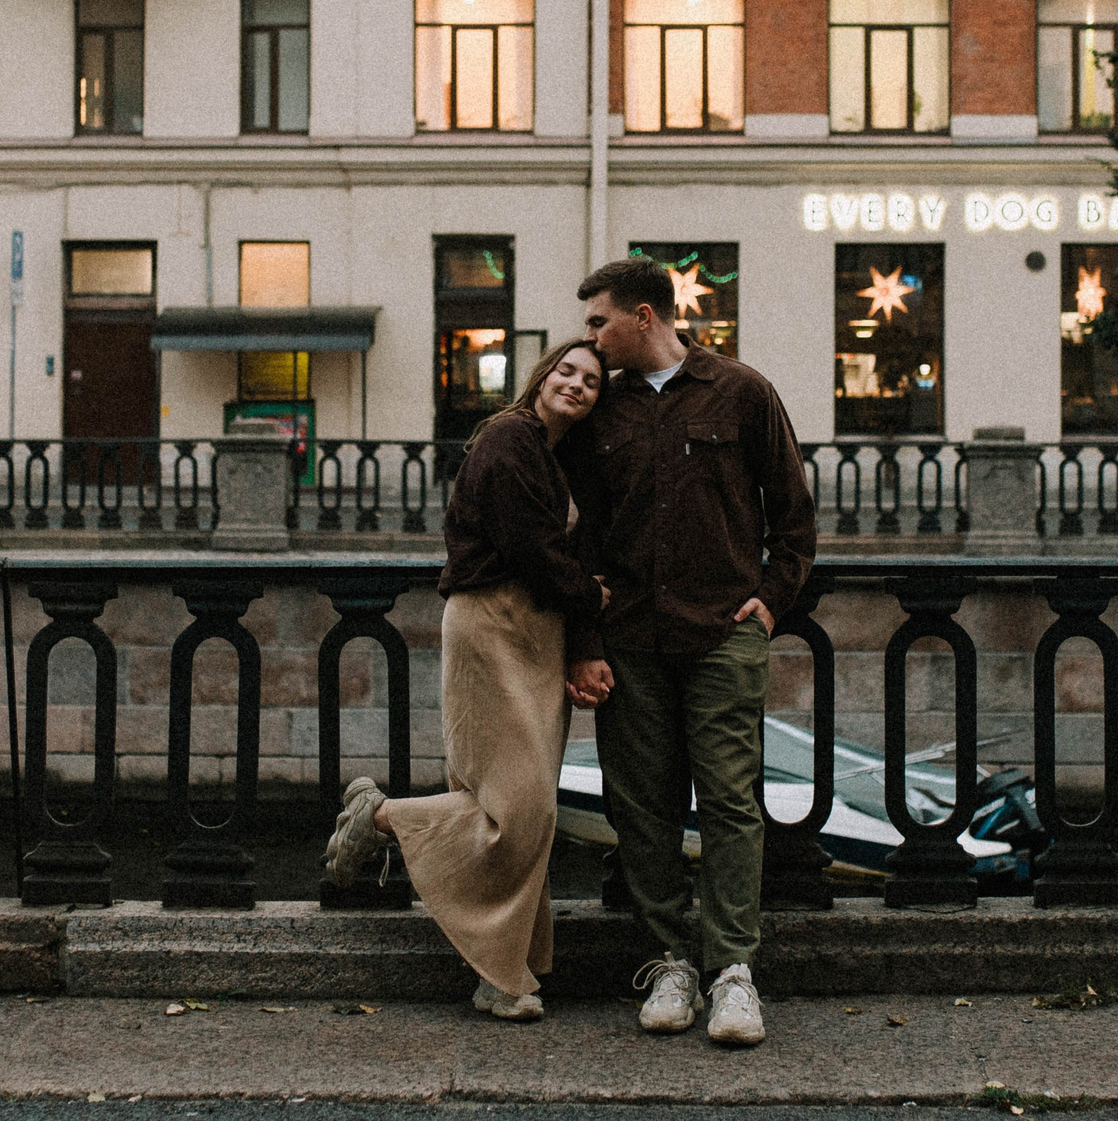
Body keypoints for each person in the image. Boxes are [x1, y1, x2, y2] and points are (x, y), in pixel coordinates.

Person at [566, 256, 815, 1049]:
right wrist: (586, 637)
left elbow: (795, 515)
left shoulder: (742, 392)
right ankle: (671, 962)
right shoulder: (601, 409)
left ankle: (734, 971)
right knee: (641, 806)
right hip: (630, 638)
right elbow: (583, 534)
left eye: (599, 320)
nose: (589, 336)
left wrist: (769, 603)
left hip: (720, 632)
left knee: (731, 802)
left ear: (643, 315)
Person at [321, 338, 607, 1021]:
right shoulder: (509, 439)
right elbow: (529, 547)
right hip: (493, 622)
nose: (576, 384)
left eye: (592, 381)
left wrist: (579, 629)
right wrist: (592, 594)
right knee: (522, 810)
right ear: (542, 375)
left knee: (518, 804)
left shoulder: (559, 456)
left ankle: (504, 973)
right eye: (566, 370)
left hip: (537, 630)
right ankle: (383, 817)